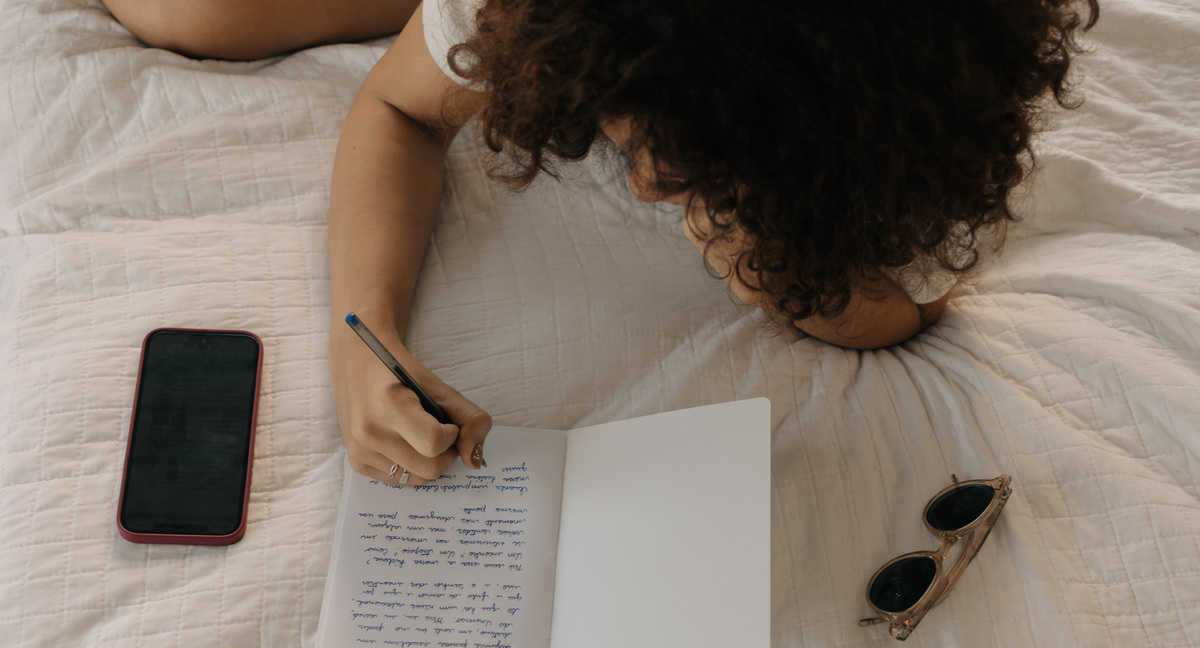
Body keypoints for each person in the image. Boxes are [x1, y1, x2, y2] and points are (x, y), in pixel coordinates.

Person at [102, 0, 1100, 486]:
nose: (645, 188)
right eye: (633, 140)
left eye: (682, 162)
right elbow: (403, 106)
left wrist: (769, 255)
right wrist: (365, 333)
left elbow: (894, 307)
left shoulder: (910, 98)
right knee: (194, 13)